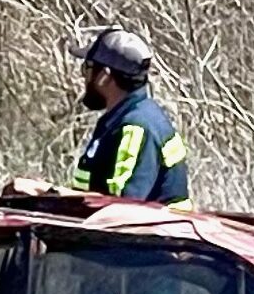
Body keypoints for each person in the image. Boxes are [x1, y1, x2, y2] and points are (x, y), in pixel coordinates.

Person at [66, 26, 191, 209]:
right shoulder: (121, 118)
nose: (84, 77)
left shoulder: (137, 127)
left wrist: (49, 192)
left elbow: (121, 206)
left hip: (149, 236)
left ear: (104, 77)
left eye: (88, 68)